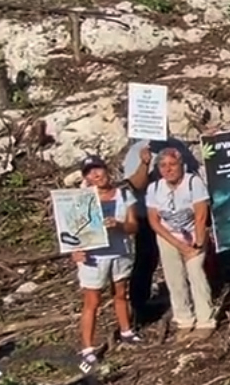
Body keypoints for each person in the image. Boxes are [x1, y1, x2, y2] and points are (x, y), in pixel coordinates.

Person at [122, 135, 202, 323]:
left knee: (188, 259)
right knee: (146, 261)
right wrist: (144, 163)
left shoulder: (177, 144)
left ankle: (192, 301)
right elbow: (135, 186)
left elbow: (192, 173)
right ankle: (139, 307)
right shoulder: (137, 149)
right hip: (148, 215)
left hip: (181, 216)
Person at [73, 155, 141, 375]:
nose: (96, 175)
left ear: (106, 170)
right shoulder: (80, 199)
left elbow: (133, 227)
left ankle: (126, 331)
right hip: (94, 257)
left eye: (99, 169)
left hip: (119, 252)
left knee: (121, 293)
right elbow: (70, 231)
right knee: (92, 300)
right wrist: (74, 250)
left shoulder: (124, 194)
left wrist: (119, 224)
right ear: (86, 177)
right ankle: (87, 347)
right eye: (90, 172)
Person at [146, 147, 216, 341]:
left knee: (195, 273)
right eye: (163, 166)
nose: (168, 169)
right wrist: (178, 245)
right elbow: (154, 220)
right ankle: (184, 319)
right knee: (174, 277)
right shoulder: (155, 188)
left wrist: (196, 244)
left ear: (181, 165)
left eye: (172, 164)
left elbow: (201, 214)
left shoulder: (194, 183)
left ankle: (205, 320)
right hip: (168, 236)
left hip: (194, 234)